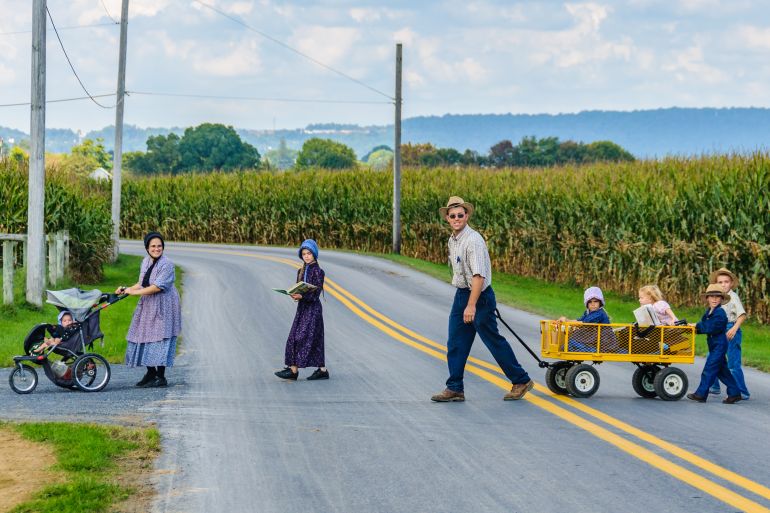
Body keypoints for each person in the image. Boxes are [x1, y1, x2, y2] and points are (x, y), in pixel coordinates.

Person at [431, 196, 533, 402]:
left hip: (479, 297)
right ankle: (455, 388)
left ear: (467, 216)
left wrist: (471, 305)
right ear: (447, 219)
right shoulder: (453, 240)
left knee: (492, 340)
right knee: (456, 342)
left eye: (461, 215)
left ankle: (521, 380)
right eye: (453, 216)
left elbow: (479, 275)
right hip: (462, 294)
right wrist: (465, 302)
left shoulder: (473, 240)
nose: (457, 218)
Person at [117, 232, 182, 388]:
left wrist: (134, 293)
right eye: (153, 246)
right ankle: (150, 372)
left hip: (164, 304)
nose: (156, 249)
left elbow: (156, 287)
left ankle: (161, 376)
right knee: (142, 333)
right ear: (147, 248)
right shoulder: (145, 261)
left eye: (159, 246)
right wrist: (126, 289)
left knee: (160, 336)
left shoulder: (167, 264)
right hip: (148, 302)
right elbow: (142, 283)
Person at [275, 239, 328, 381]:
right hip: (302, 309)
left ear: (314, 254)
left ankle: (295, 370)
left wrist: (302, 296)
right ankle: (320, 370)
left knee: (302, 338)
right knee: (297, 337)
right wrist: (295, 295)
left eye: (309, 253)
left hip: (313, 310)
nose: (306, 256)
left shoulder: (318, 272)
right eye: (304, 254)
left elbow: (315, 294)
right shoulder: (301, 270)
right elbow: (299, 289)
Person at [686, 284, 742, 404]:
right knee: (722, 371)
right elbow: (703, 324)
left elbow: (712, 327)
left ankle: (701, 394)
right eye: (711, 296)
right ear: (707, 298)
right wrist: (693, 327)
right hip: (714, 345)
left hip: (720, 345)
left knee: (709, 369)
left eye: (717, 296)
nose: (714, 299)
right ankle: (735, 393)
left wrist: (696, 326)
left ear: (722, 299)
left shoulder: (720, 313)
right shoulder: (708, 312)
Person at [707, 268, 750, 400]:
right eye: (720, 282)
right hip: (719, 331)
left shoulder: (733, 297)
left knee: (732, 364)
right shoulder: (718, 298)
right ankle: (714, 387)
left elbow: (742, 315)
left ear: (731, 283)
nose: (723, 284)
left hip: (731, 329)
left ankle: (742, 391)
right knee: (712, 359)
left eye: (726, 282)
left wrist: (734, 328)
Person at [558, 287, 616, 352]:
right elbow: (579, 320)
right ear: (587, 304)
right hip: (595, 338)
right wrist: (566, 320)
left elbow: (583, 323)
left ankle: (592, 350)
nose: (593, 304)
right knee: (568, 344)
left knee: (572, 342)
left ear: (600, 303)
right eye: (590, 302)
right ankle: (580, 348)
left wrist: (568, 321)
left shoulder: (599, 314)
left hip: (604, 341)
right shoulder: (588, 312)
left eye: (595, 301)